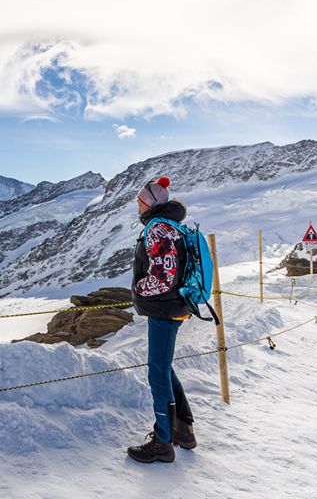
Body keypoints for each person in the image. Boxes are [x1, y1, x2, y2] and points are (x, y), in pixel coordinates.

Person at [126, 176, 197, 464]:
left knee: (157, 372)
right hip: (175, 305)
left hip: (163, 309)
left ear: (149, 203)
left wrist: (139, 289)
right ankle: (184, 431)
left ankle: (163, 441)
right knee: (164, 368)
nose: (137, 206)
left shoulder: (158, 229)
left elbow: (163, 277)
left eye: (139, 201)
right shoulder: (171, 226)